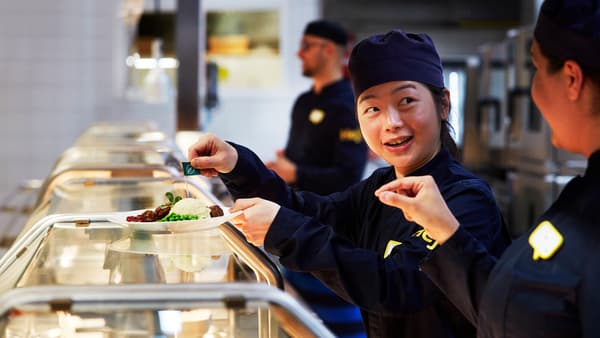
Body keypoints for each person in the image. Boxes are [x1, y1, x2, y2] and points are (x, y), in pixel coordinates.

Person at [189, 29, 511, 338]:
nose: (391, 123)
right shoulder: (379, 189)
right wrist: (236, 164)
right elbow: (304, 210)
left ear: (443, 104)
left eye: (407, 101)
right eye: (372, 108)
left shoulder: (468, 200)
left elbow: (397, 285)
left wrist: (286, 231)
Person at [373, 0, 600, 337]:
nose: (392, 124)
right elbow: (509, 307)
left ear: (571, 79)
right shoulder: (583, 195)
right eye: (372, 108)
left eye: (536, 68)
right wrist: (446, 232)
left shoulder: (584, 227)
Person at [267, 19, 369, 338]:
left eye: (307, 46)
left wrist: (295, 172)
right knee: (301, 321)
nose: (299, 54)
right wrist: (282, 167)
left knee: (338, 325)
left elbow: (349, 173)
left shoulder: (349, 104)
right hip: (298, 226)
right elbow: (296, 160)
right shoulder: (304, 102)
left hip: (333, 233)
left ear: (328, 50)